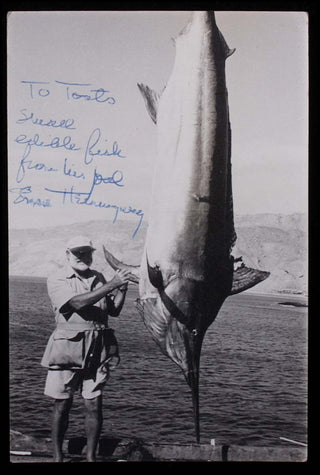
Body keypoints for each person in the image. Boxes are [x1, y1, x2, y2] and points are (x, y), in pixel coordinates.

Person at [41, 235, 131, 462]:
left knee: (94, 404)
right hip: (67, 348)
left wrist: (121, 290)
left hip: (98, 349)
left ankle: (91, 458)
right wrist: (112, 284)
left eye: (87, 253)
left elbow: (113, 311)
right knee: (62, 403)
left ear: (92, 254)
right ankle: (58, 457)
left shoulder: (98, 277)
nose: (82, 257)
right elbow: (77, 303)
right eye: (77, 253)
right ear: (68, 254)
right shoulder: (57, 278)